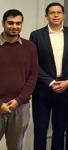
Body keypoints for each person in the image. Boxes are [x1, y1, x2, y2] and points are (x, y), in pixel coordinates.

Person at [29, 2, 68, 150]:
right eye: (52, 12)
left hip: (64, 89)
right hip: (42, 90)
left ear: (64, 15)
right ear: (46, 16)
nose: (56, 15)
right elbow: (33, 63)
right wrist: (50, 82)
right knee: (40, 129)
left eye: (58, 12)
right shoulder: (36, 35)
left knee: (59, 129)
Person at [0, 9, 38, 150]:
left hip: (20, 107)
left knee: (16, 147)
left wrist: (18, 100)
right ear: (3, 23)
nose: (14, 26)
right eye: (10, 23)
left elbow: (32, 76)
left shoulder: (30, 47)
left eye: (18, 23)